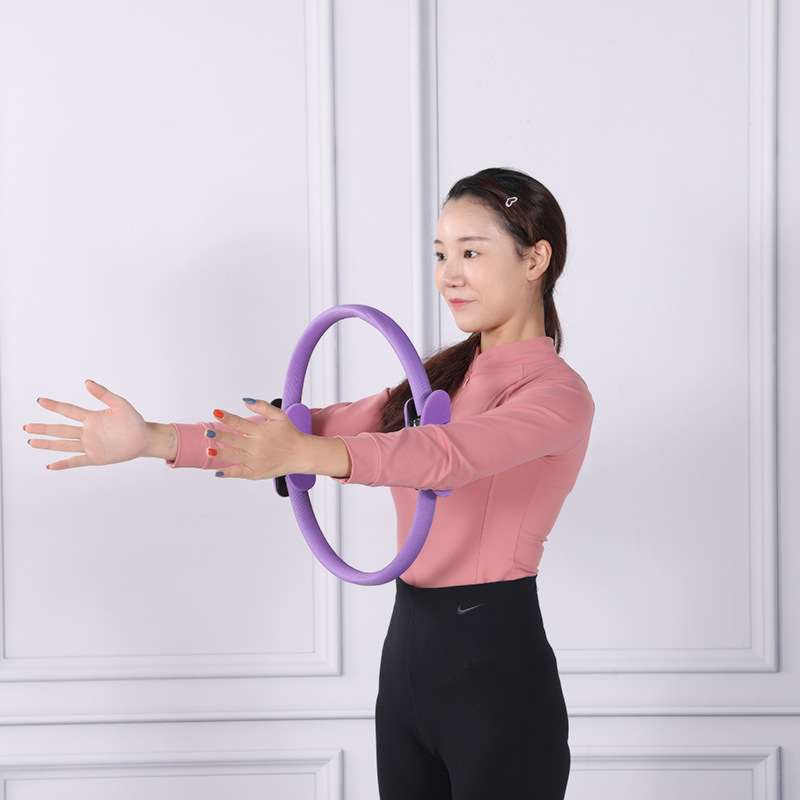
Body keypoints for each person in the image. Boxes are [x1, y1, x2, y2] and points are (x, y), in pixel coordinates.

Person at [25, 167, 594, 800]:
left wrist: (308, 452)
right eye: (440, 255)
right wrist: (153, 439)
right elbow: (309, 428)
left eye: (471, 253)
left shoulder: (557, 396)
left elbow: (447, 455)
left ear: (535, 259)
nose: (449, 275)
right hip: (408, 666)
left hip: (497, 680)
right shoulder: (438, 381)